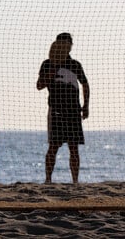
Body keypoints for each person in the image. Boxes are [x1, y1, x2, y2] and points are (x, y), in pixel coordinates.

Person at [37, 33, 90, 184]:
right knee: (53, 147)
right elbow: (39, 85)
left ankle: (75, 181)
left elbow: (85, 84)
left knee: (74, 148)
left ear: (71, 46)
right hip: (56, 110)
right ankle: (48, 180)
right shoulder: (47, 63)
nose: (65, 47)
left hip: (73, 111)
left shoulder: (75, 65)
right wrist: (53, 69)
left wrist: (86, 105)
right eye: (62, 43)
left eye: (68, 44)